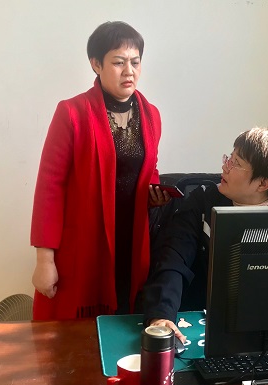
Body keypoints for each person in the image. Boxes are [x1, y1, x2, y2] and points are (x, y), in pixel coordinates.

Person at [31, 21, 170, 320]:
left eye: (135, 62)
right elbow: (49, 187)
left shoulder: (151, 115)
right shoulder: (72, 113)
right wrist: (45, 260)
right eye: (118, 62)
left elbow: (149, 168)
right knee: (76, 331)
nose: (129, 71)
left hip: (130, 243)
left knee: (124, 320)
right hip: (83, 245)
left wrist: (154, 190)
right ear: (96, 64)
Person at [142, 127, 268, 342]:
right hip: (198, 319)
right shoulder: (203, 201)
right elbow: (174, 258)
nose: (225, 166)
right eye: (229, 158)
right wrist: (162, 314)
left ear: (263, 184)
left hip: (260, 330)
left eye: (236, 163)